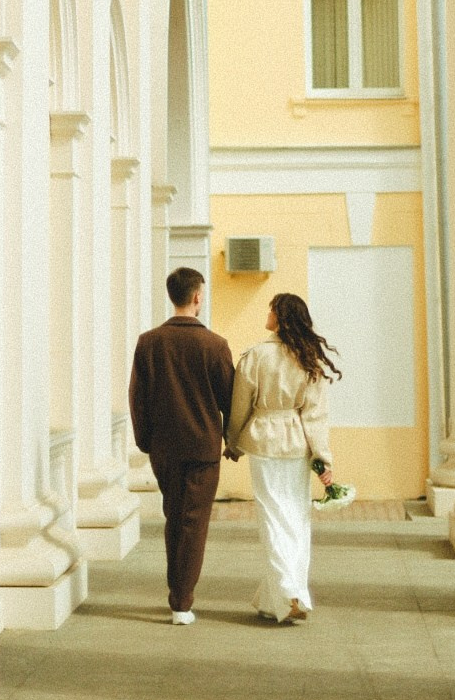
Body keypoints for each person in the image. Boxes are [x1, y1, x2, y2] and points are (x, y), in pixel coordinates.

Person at [129, 266, 235, 624]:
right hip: (203, 448)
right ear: (197, 297)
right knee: (193, 523)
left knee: (174, 517)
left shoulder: (148, 342)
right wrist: (232, 440)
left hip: (164, 447)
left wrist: (145, 441)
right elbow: (230, 400)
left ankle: (178, 592)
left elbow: (137, 397)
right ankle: (181, 601)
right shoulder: (216, 345)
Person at [225, 292, 340, 623]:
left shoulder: (256, 356)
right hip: (296, 446)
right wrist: (322, 459)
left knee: (273, 518)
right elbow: (315, 417)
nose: (268, 313)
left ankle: (289, 590)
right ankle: (278, 598)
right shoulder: (309, 360)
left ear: (280, 316)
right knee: (296, 519)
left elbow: (240, 406)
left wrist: (233, 442)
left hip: (264, 443)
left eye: (271, 309)